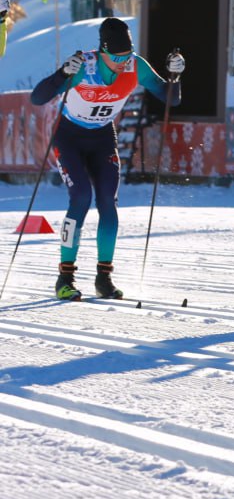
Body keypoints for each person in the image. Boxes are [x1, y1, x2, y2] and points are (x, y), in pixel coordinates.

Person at [29, 18, 184, 300]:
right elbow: (37, 98)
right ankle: (64, 278)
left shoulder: (137, 65)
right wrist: (62, 74)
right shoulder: (83, 66)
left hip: (102, 139)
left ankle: (104, 279)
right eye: (116, 57)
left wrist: (175, 77)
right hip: (70, 138)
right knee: (80, 198)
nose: (123, 63)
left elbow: (170, 99)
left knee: (107, 204)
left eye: (126, 56)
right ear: (102, 51)